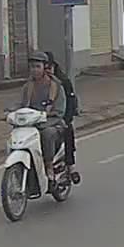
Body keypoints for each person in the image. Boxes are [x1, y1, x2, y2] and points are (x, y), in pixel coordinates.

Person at [15, 52, 68, 182]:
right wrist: (9, 112)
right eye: (32, 67)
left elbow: (59, 111)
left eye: (37, 66)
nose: (34, 70)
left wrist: (45, 117)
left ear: (45, 68)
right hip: (31, 123)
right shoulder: (28, 86)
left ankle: (49, 165)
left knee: (47, 133)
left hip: (52, 123)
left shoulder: (56, 86)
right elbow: (20, 104)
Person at [44, 51, 81, 185]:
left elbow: (70, 102)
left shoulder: (62, 82)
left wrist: (66, 119)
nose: (46, 71)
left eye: (48, 67)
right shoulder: (34, 83)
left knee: (67, 131)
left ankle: (70, 166)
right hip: (41, 118)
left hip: (60, 117)